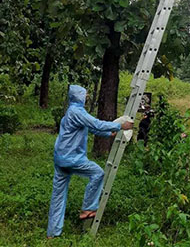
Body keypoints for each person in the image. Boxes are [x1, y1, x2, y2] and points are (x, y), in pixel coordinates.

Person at [47, 85, 134, 238]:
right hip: (71, 158)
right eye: (85, 95)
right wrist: (120, 125)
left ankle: (52, 233)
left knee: (58, 196)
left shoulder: (71, 112)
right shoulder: (77, 111)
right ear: (79, 96)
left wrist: (109, 133)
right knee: (98, 173)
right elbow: (95, 124)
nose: (86, 98)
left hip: (60, 158)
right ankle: (88, 208)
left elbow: (92, 129)